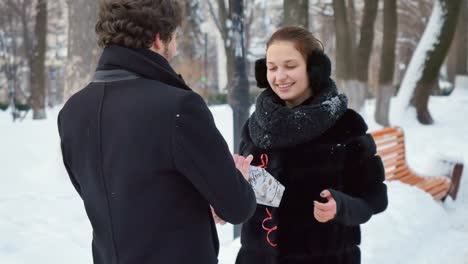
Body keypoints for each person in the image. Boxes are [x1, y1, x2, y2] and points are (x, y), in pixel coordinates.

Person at [57, 1, 256, 263]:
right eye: (175, 35)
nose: (176, 45)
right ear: (158, 39)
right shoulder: (179, 108)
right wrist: (238, 178)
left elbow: (115, 197)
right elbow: (237, 206)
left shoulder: (72, 112)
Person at [235, 26, 388, 264]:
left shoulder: (346, 126)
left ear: (314, 69)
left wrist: (342, 206)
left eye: (290, 66)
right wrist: (233, 190)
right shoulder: (254, 127)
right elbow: (265, 198)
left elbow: (374, 199)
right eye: (272, 68)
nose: (279, 76)